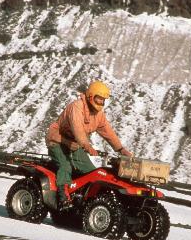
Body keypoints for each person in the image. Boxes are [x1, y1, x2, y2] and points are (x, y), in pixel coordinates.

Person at [46, 80, 132, 210]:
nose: (101, 103)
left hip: (75, 144)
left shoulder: (99, 115)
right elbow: (77, 129)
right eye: (98, 99)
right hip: (58, 140)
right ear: (90, 96)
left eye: (103, 100)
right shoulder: (77, 107)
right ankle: (63, 196)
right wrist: (87, 145)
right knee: (65, 166)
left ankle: (82, 199)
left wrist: (121, 149)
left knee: (91, 172)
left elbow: (108, 132)